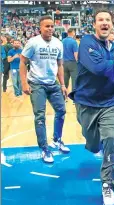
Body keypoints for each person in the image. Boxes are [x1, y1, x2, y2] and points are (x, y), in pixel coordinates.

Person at [69, 9, 114, 205]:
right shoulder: (87, 43)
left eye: (107, 20)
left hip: (110, 102)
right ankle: (96, 144)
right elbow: (100, 69)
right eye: (100, 19)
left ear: (112, 24)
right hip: (86, 103)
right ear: (94, 24)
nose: (104, 22)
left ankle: (108, 185)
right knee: (93, 144)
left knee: (111, 138)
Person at [20, 15, 70, 163]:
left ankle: (57, 139)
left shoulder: (58, 43)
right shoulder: (33, 42)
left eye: (52, 26)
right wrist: (24, 83)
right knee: (40, 117)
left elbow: (60, 65)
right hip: (36, 83)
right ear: (40, 28)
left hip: (52, 83)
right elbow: (23, 62)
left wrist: (62, 84)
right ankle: (44, 149)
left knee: (61, 110)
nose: (50, 29)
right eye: (46, 26)